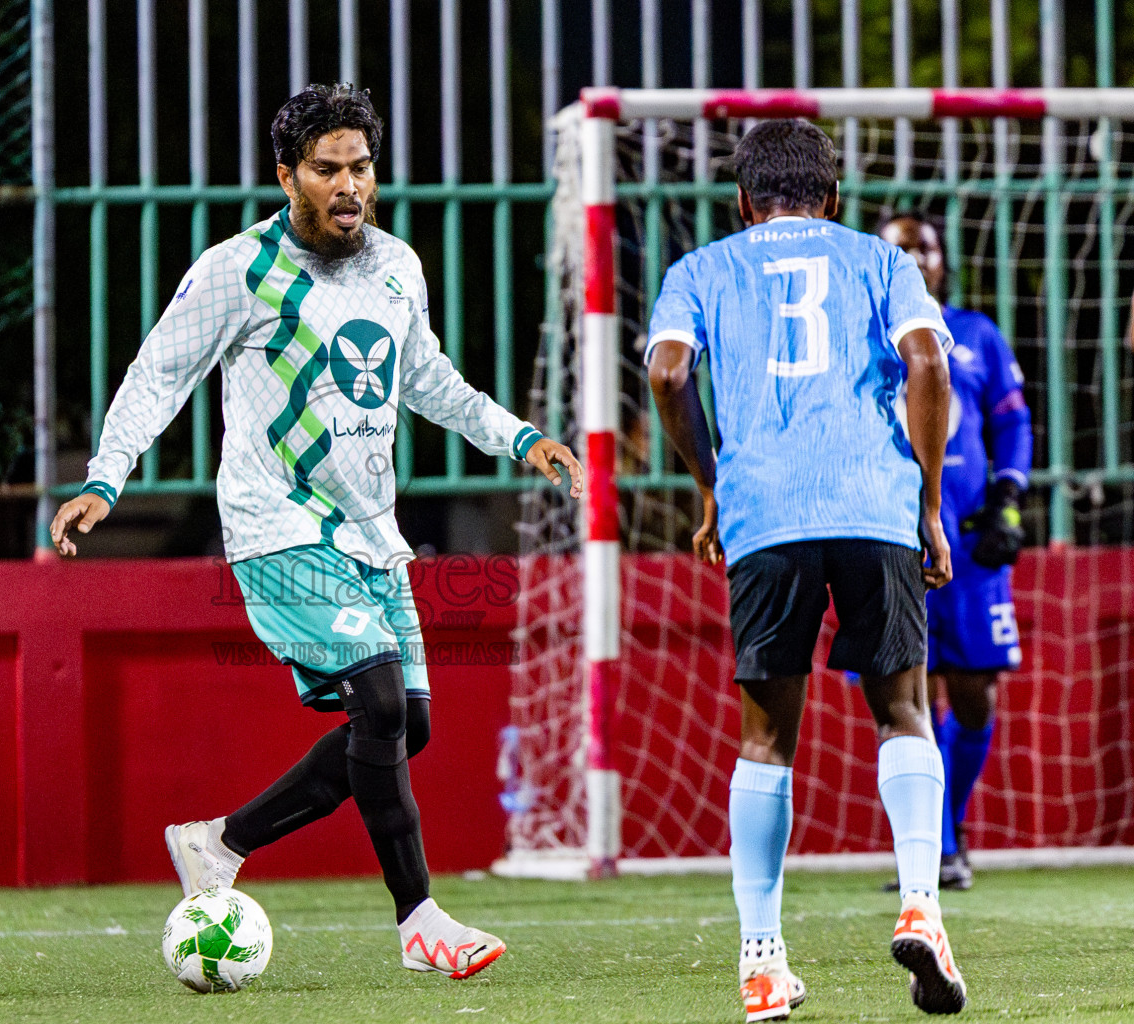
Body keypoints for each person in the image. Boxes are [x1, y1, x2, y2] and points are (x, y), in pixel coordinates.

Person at [50, 84, 583, 981]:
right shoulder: (237, 269)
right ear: (287, 176)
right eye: (327, 169)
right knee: (379, 699)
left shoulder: (397, 265)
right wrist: (107, 477)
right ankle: (420, 922)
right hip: (277, 526)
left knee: (406, 726)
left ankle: (221, 842)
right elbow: (158, 375)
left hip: (372, 535)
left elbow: (427, 378)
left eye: (361, 168)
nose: (348, 186)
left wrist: (518, 437)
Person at [645, 119, 966, 1020]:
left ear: (742, 200)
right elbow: (927, 360)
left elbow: (667, 375)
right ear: (832, 195)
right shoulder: (880, 259)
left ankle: (761, 960)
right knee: (903, 710)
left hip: (766, 515)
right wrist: (928, 504)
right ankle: (921, 905)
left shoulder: (701, 269)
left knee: (765, 741)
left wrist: (711, 485)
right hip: (873, 504)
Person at [877, 212, 1032, 892]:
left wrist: (1009, 497)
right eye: (899, 248)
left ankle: (951, 825)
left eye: (925, 247)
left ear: (943, 260)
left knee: (973, 701)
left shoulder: (976, 334)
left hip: (967, 549)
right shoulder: (863, 333)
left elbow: (1013, 420)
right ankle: (937, 849)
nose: (914, 257)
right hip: (890, 543)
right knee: (903, 699)